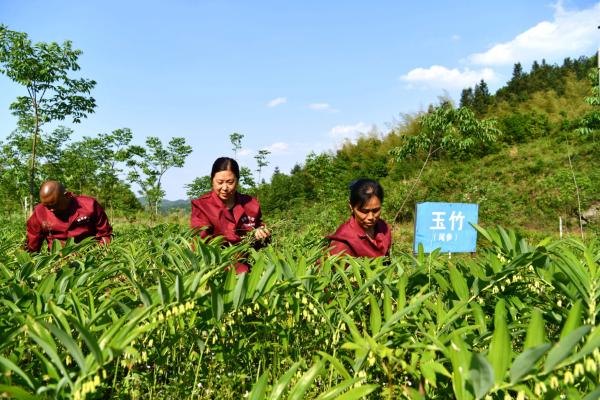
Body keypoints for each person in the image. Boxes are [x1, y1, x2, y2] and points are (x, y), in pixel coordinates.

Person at [190, 157, 270, 273]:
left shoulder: (250, 204)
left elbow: (262, 241)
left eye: (230, 182)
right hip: (216, 266)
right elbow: (200, 245)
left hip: (249, 263)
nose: (225, 188)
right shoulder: (202, 206)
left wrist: (262, 234)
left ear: (237, 181)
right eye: (220, 182)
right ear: (212, 180)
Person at [25, 181, 113, 252]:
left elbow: (105, 234)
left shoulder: (89, 205)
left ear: (67, 196)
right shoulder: (40, 211)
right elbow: (33, 243)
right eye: (47, 206)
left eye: (55, 205)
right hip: (57, 259)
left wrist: (99, 253)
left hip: (89, 255)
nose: (51, 210)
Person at [326, 179, 391, 258]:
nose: (371, 217)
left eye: (376, 210)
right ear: (351, 207)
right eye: (364, 211)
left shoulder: (383, 227)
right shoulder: (344, 241)